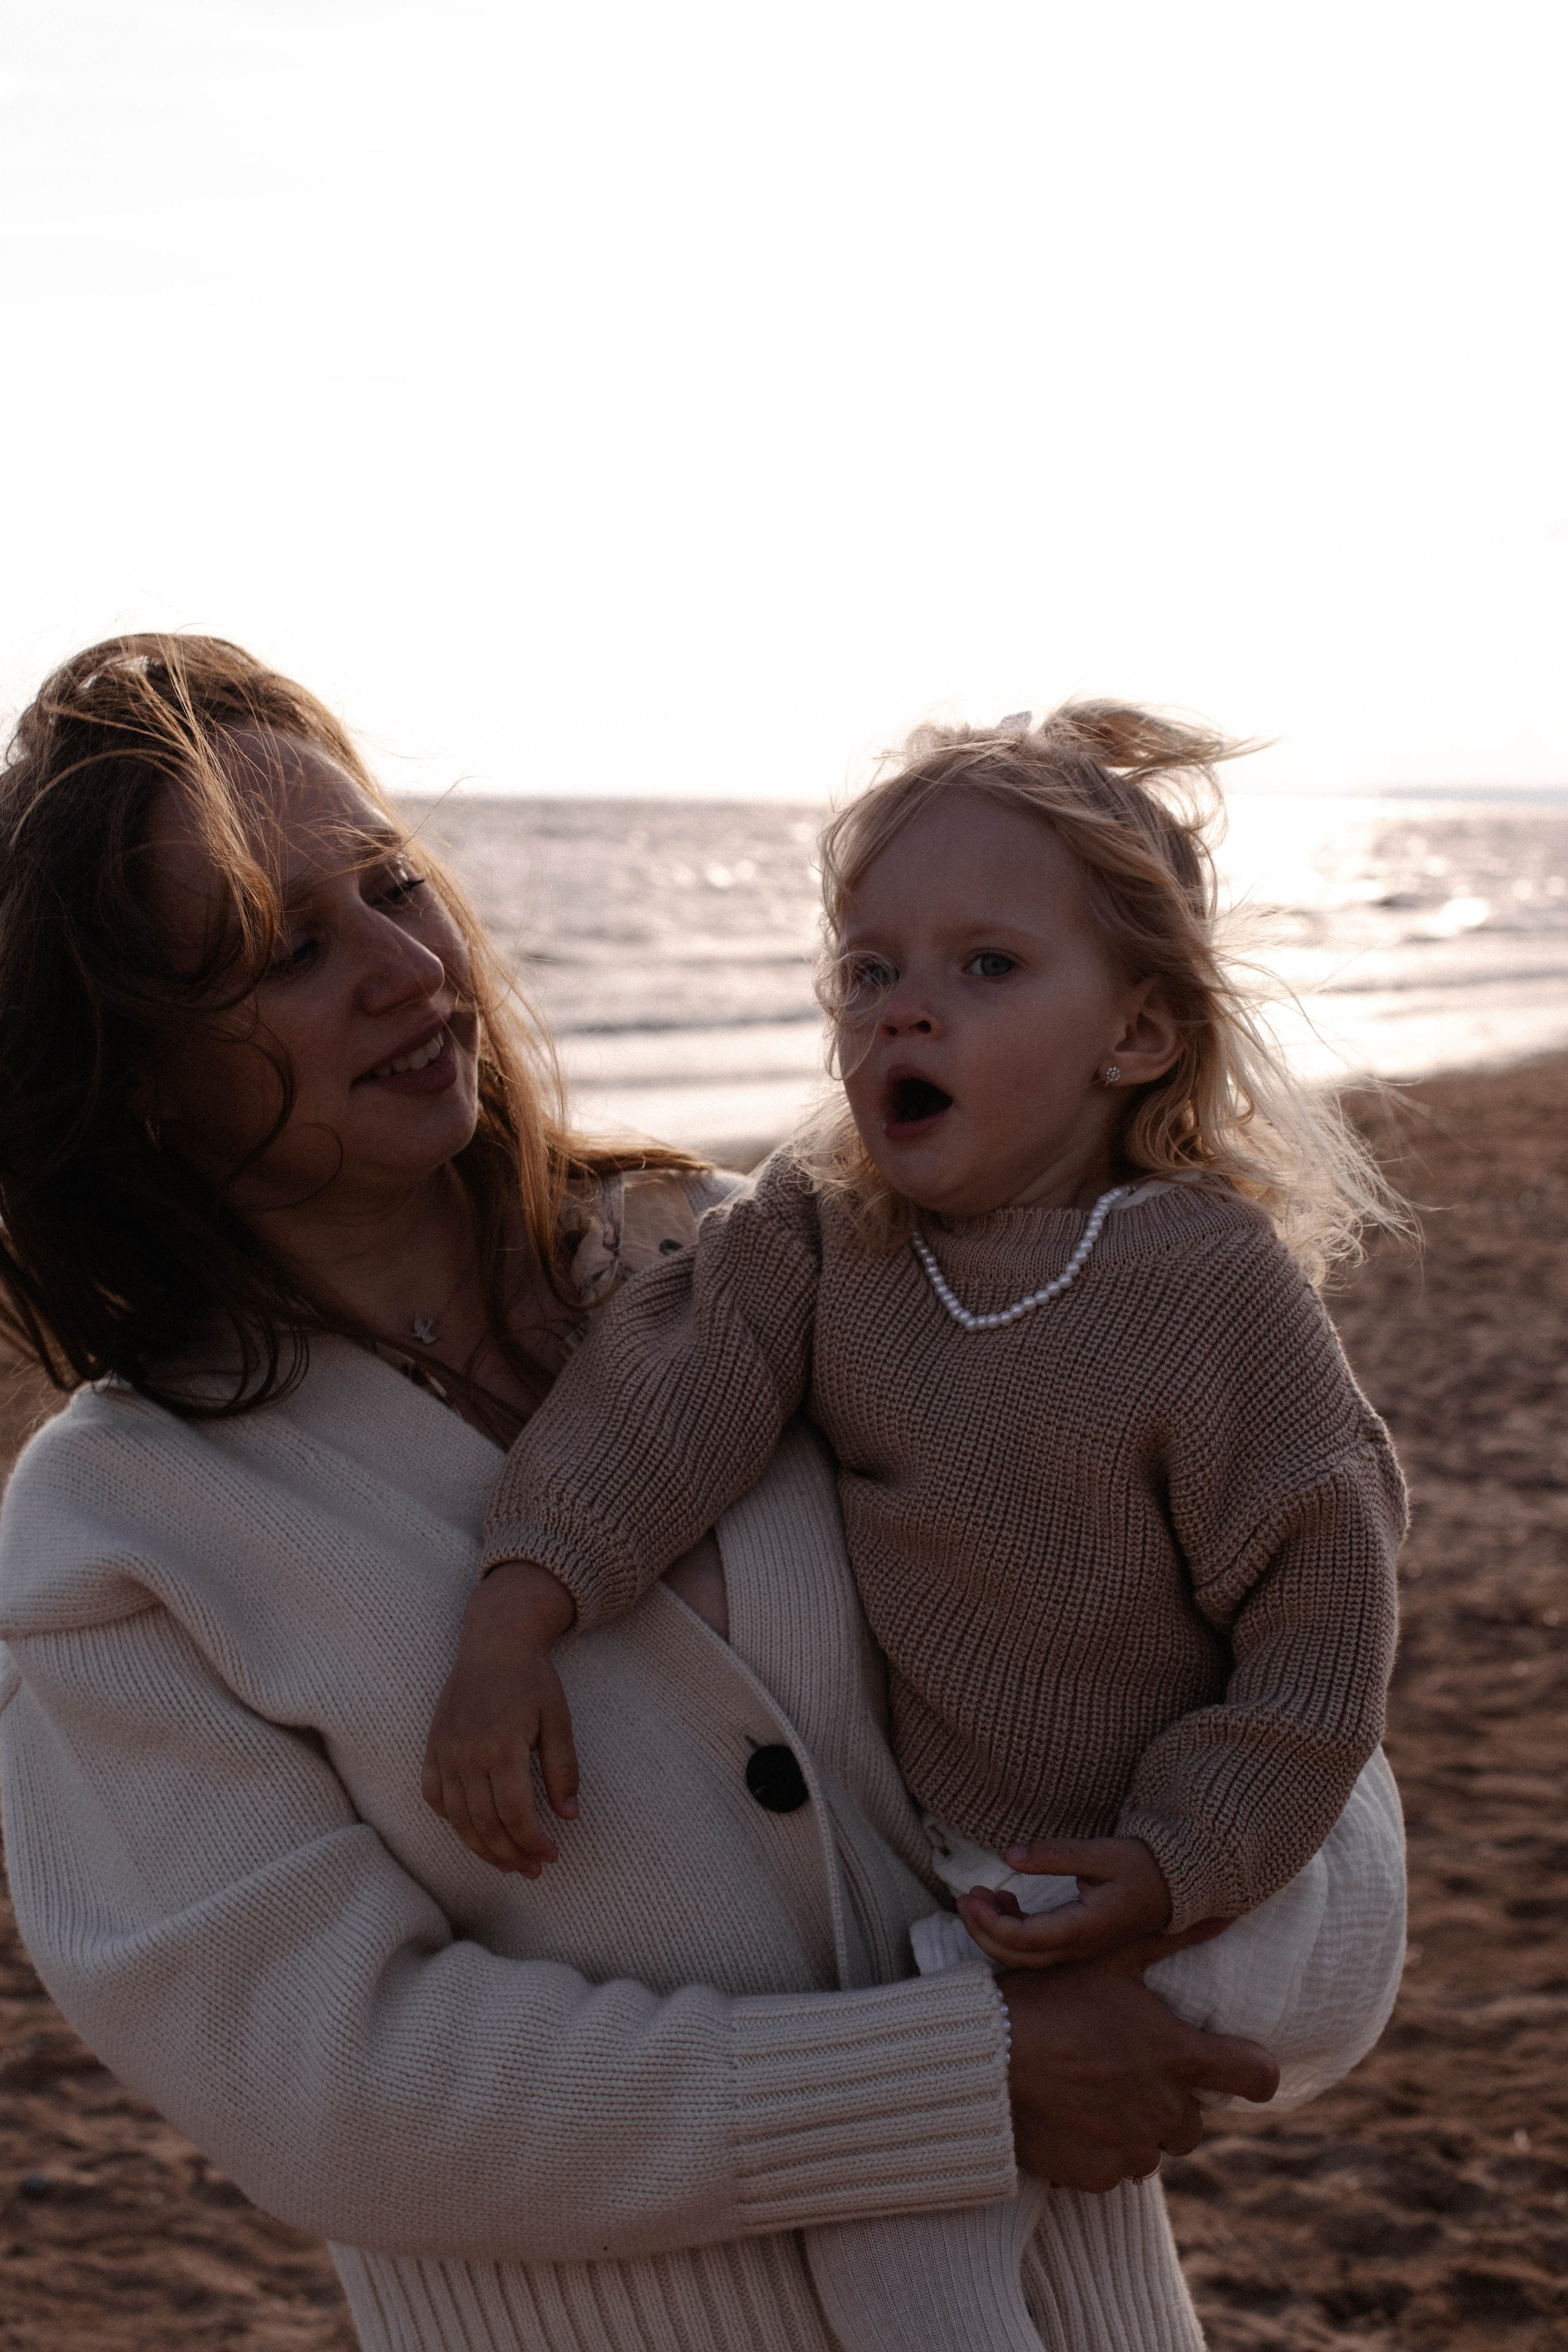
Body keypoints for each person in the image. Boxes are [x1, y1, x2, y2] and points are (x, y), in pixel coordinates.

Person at [0, 638, 1278, 2352]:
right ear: (137, 1075)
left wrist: (1221, 1977)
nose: (408, 966)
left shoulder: (803, 1265)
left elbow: (1255, 1684)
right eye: (289, 949)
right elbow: (344, 2090)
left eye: (395, 885)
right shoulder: (122, 1531)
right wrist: (956, 2082)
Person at [425, 703, 1411, 2352]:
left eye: (986, 967)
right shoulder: (823, 1240)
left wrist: (1185, 1858)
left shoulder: (1208, 1283)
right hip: (993, 1886)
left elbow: (1326, 1604)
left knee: (902, 2221)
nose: (904, 1010)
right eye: (868, 971)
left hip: (1245, 1886)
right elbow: (655, 1404)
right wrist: (513, 1618)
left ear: (1138, 1035)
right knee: (908, 2270)